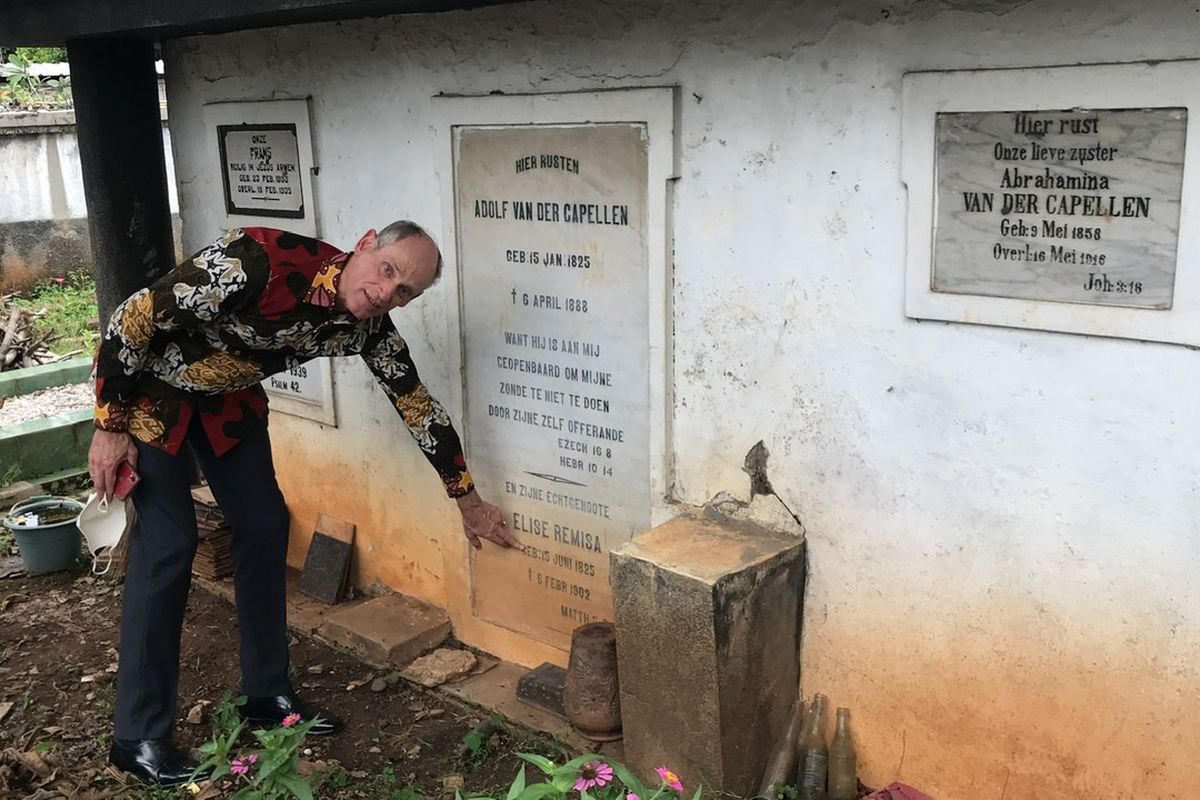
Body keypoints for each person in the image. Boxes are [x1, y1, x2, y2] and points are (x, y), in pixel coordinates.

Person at [89, 222, 522, 786]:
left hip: (226, 394)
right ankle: (138, 736)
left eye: (406, 292)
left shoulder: (364, 326)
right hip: (151, 389)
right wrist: (109, 423)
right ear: (365, 244)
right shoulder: (256, 262)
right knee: (170, 543)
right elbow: (133, 317)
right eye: (388, 270)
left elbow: (415, 403)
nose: (387, 293)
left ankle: (265, 693)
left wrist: (467, 501)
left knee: (265, 522)